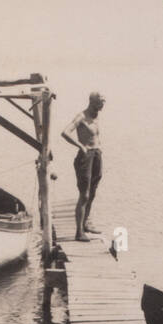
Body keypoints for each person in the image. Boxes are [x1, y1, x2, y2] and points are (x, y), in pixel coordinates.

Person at [61, 92, 105, 241]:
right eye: (100, 103)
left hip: (96, 154)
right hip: (85, 157)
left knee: (92, 192)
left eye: (103, 103)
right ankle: (79, 232)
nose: (102, 106)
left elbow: (95, 137)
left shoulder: (96, 117)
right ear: (92, 102)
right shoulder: (82, 116)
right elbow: (65, 132)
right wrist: (80, 146)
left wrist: (97, 150)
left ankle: (85, 223)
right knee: (84, 194)